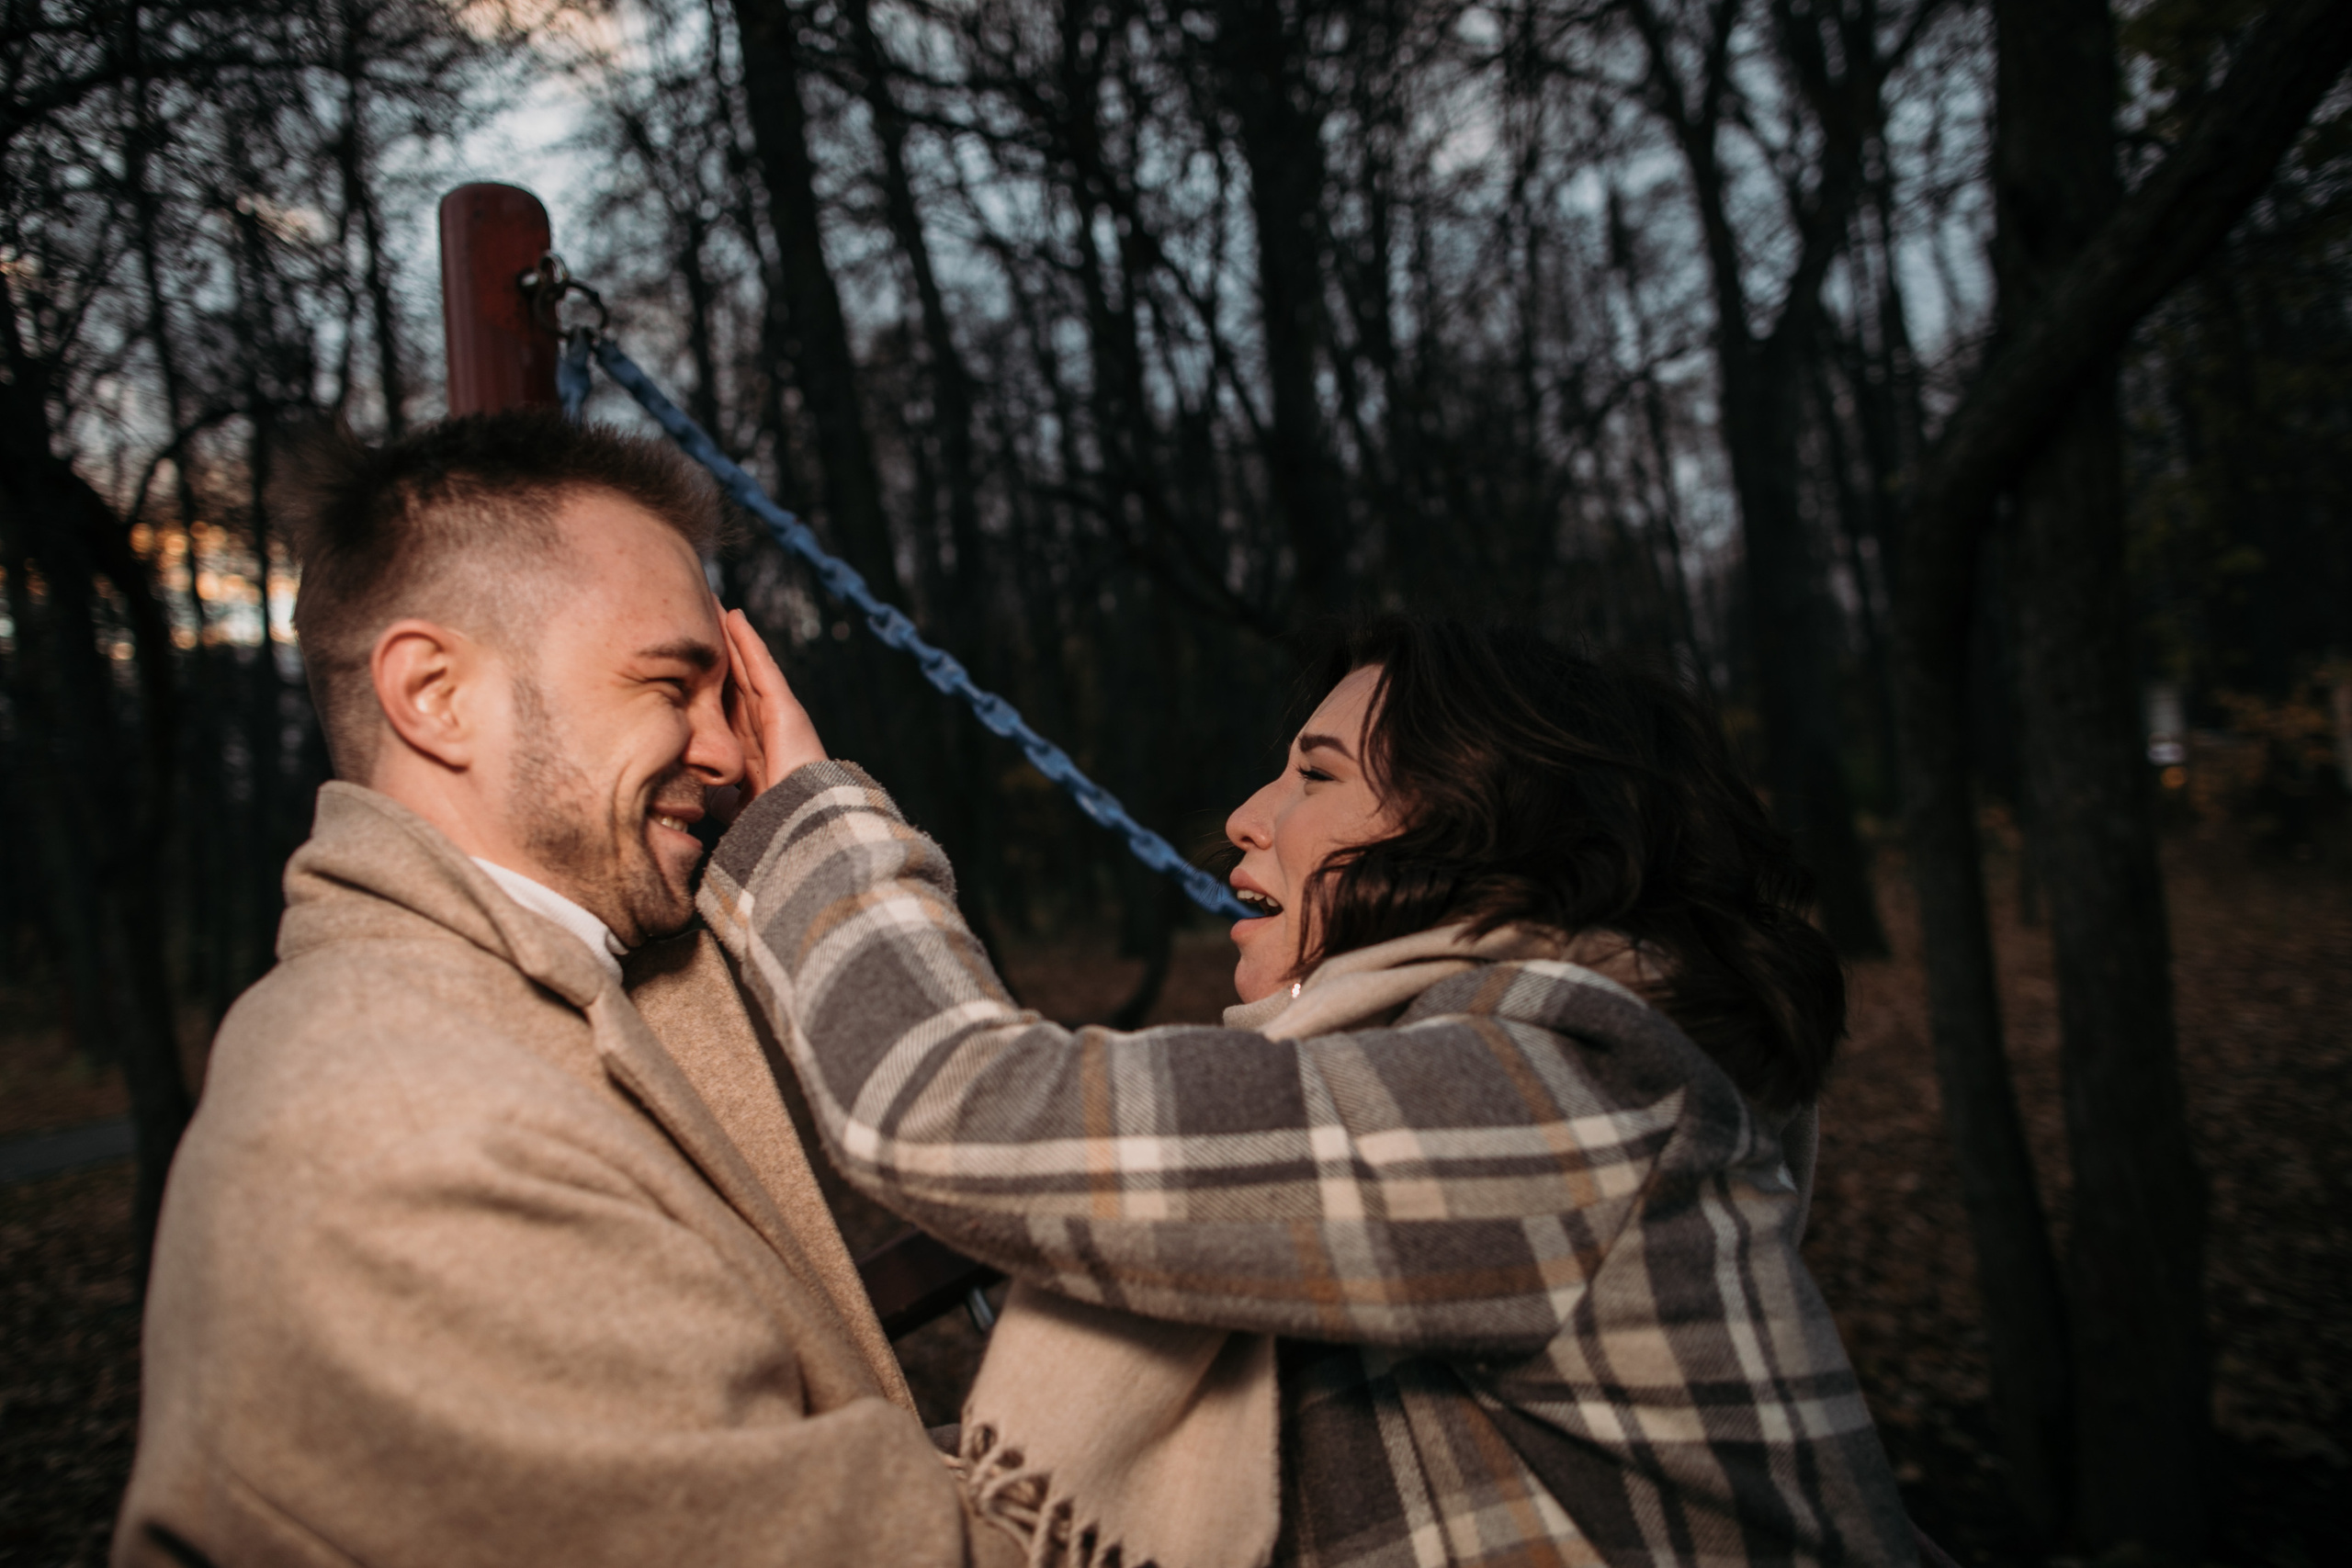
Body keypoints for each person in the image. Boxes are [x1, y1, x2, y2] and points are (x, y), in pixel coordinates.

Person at [704, 613, 1918, 1568]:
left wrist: (802, 816)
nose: (1246, 816)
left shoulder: (1571, 1091)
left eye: (1315, 773)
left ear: (1486, 824)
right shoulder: (1455, 1100)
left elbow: (954, 1102)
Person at [114, 412, 1020, 1568]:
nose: (734, 754)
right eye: (669, 684)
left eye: (723, 696)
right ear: (433, 694)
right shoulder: (396, 1130)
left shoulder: (532, 995)